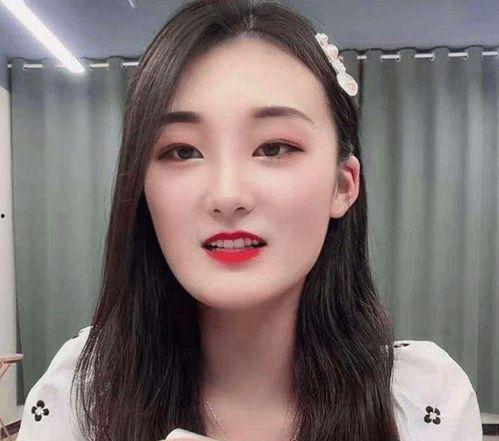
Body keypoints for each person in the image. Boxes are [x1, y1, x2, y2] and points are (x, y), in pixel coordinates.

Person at [16, 0, 482, 440]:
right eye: (182, 151)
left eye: (274, 148)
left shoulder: (421, 401)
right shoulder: (82, 394)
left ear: (344, 185)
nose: (227, 196)